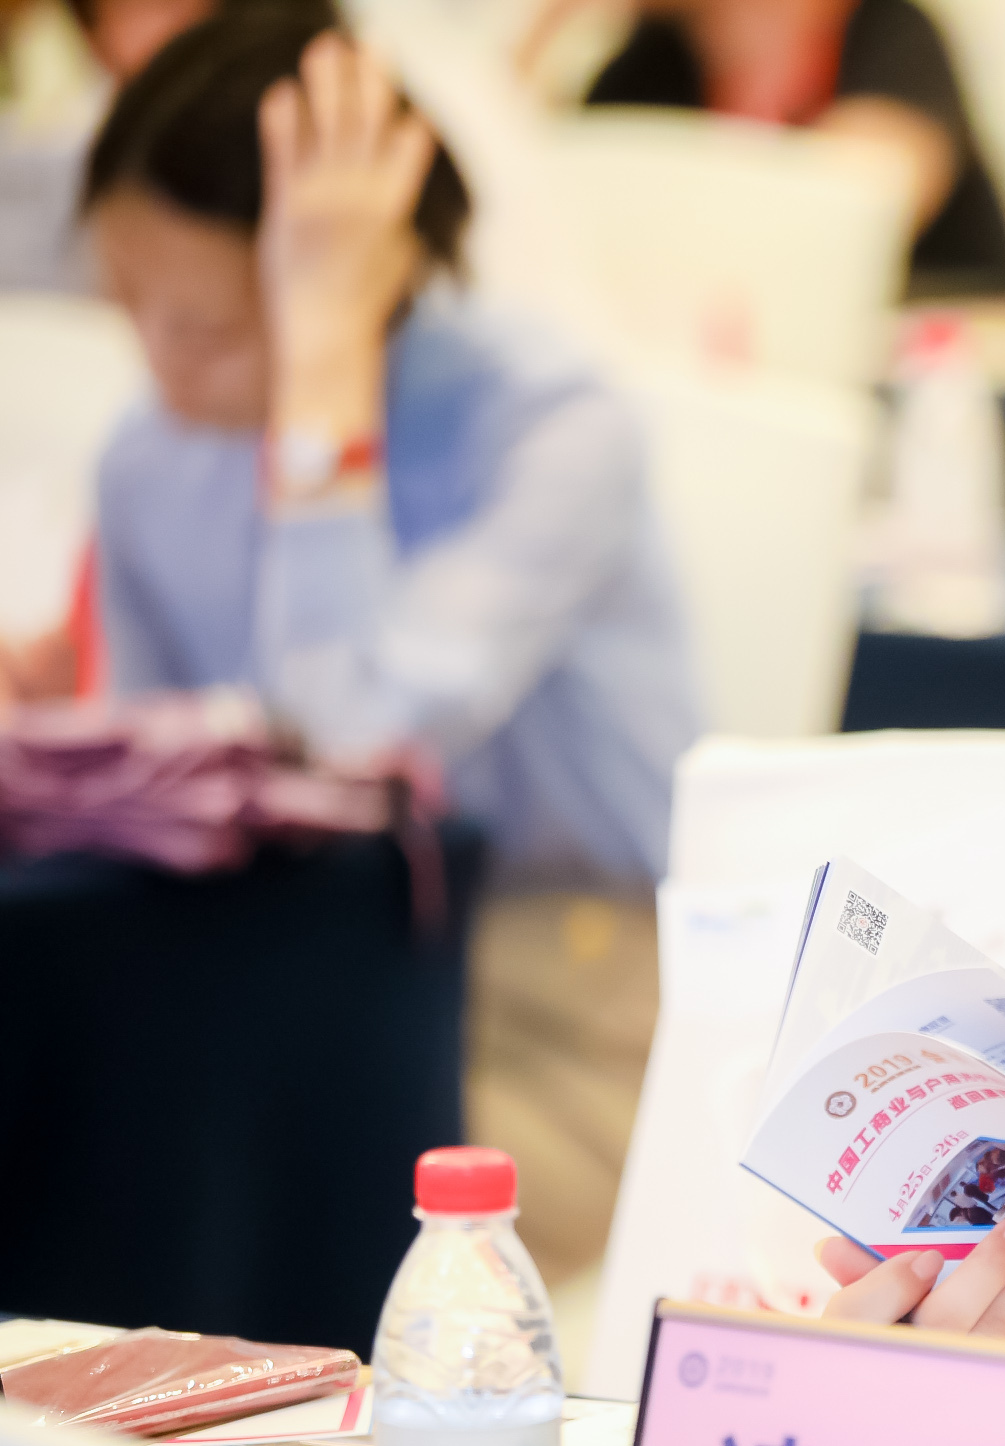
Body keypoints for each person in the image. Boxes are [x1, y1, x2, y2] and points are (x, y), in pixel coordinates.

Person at [80, 6, 700, 1283]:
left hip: (570, 1006)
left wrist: (323, 373)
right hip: (286, 989)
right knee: (96, 1160)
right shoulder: (148, 459)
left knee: (279, 1211)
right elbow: (151, 809)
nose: (158, 364)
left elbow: (352, 750)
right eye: (129, 305)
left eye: (205, 326)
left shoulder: (551, 428)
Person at [579, 0, 1005, 299]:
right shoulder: (649, 65)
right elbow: (566, 211)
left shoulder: (890, 28)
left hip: (949, 363)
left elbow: (861, 206)